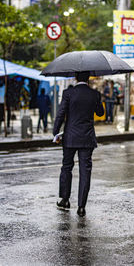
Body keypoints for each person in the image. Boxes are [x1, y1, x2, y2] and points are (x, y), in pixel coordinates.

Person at [53, 71, 104, 217]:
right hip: (87, 138)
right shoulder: (94, 94)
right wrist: (97, 101)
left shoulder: (68, 93)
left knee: (67, 167)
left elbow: (61, 113)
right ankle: (81, 207)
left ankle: (65, 199)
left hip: (70, 137)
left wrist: (55, 132)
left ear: (76, 78)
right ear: (88, 78)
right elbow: (100, 113)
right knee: (85, 171)